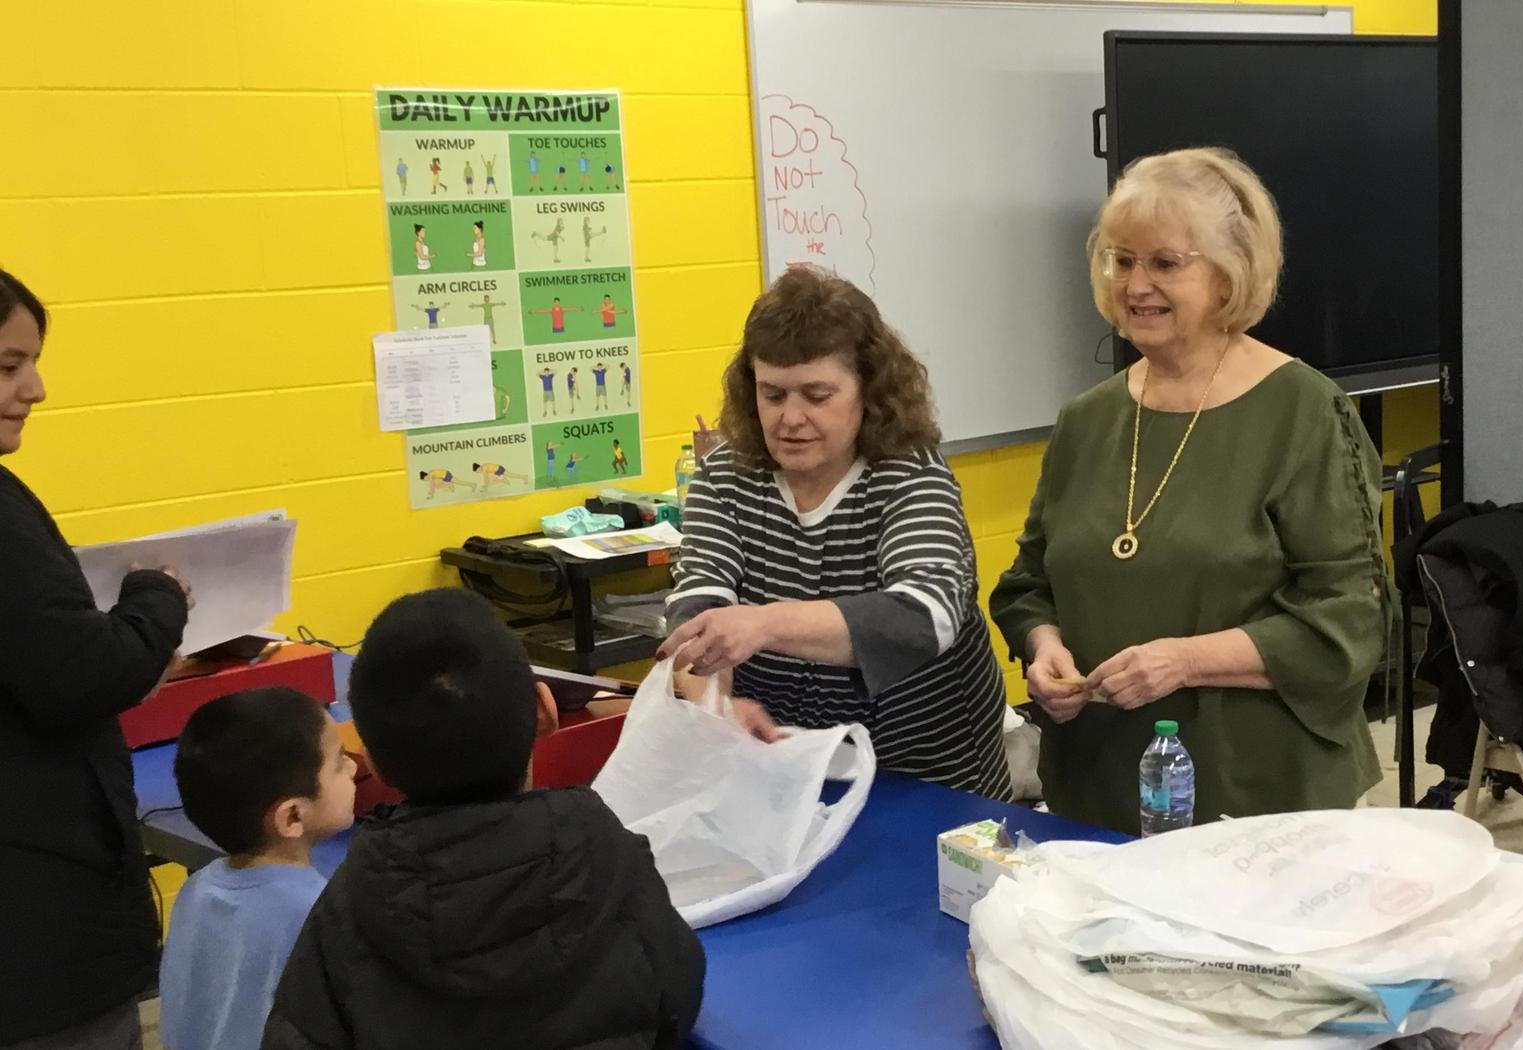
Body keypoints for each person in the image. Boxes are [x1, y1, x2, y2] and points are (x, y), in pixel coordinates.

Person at [989, 147, 1389, 835]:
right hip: (1097, 780)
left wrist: (1180, 662)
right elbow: (1029, 582)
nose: (1135, 283)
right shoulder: (1087, 420)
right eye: (1121, 259)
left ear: (1230, 276)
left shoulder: (1304, 412)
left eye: (1164, 263)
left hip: (1256, 792)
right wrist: (1043, 646)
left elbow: (1350, 620)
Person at [262, 589, 706, 1049]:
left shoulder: (349, 903)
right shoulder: (611, 855)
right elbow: (678, 991)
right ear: (544, 711)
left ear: (372, 760)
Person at [661, 267, 1009, 798]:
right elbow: (696, 610)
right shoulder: (725, 474)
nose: (790, 418)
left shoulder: (909, 473)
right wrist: (715, 707)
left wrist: (763, 624)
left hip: (926, 778)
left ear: (868, 390)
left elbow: (925, 615)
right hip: (786, 769)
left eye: (816, 395)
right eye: (772, 394)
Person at [0, 269, 194, 1048]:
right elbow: (81, 674)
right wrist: (159, 597)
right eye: (9, 365)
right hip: (36, 943)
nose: (36, 388)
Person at [160, 689, 356, 1050]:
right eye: (340, 761)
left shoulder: (196, 889)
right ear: (292, 815)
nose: (354, 768)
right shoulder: (319, 914)